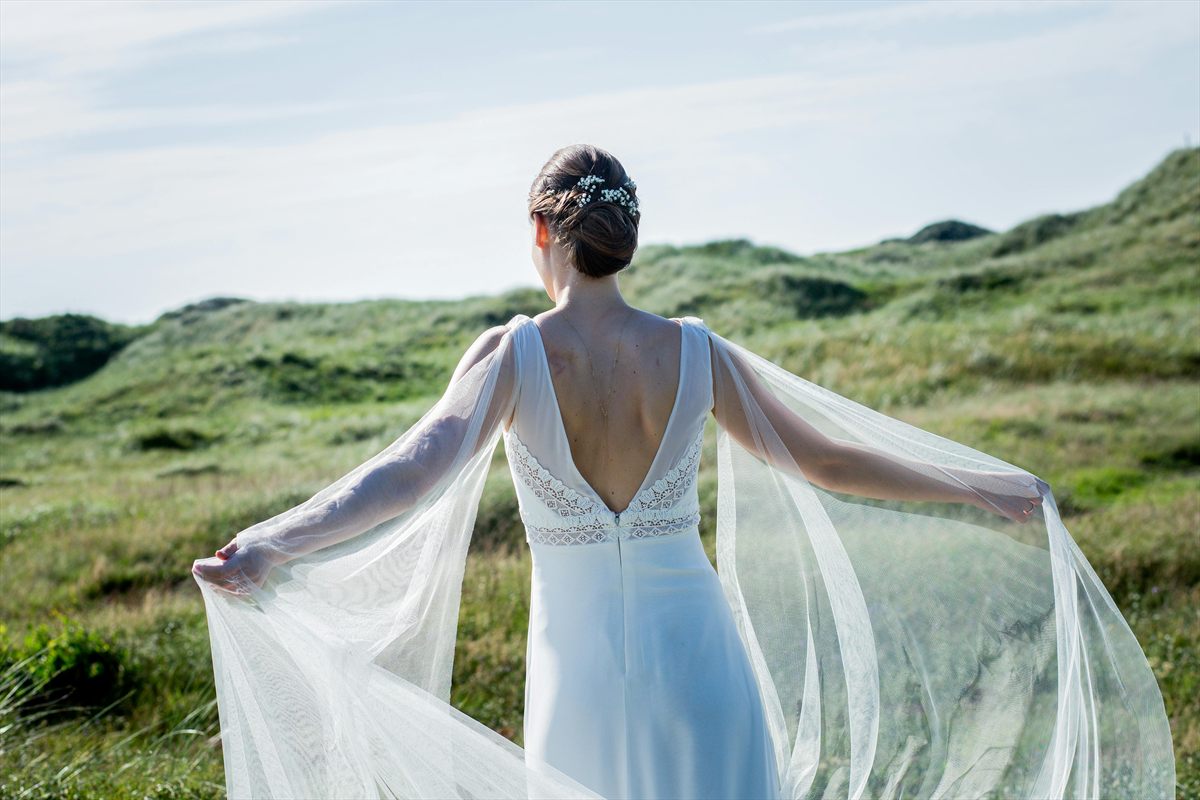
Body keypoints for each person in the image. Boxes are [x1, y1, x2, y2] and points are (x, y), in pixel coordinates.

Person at [192, 145, 1174, 800]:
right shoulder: (694, 349)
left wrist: (277, 538)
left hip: (581, 679)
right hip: (701, 663)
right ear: (626, 239)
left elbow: (410, 469)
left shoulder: (514, 355)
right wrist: (978, 485)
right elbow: (824, 455)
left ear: (542, 233)